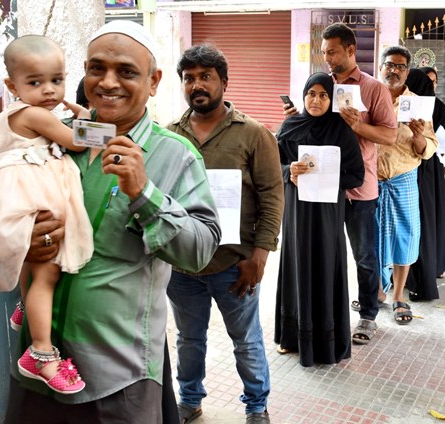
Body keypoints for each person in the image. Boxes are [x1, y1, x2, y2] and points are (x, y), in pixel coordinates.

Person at [4, 20, 220, 423]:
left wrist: (145, 194)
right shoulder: (55, 140)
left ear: (154, 81)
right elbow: (2, 213)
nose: (107, 83)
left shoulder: (174, 154)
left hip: (117, 375)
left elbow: (200, 251)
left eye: (126, 71)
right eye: (96, 68)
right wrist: (21, 239)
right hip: (38, 366)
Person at [0, 35, 94, 395]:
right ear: (12, 85)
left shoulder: (16, 115)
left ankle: (24, 307)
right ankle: (40, 353)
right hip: (30, 194)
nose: (49, 90)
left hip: (16, 196)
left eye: (57, 80)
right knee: (47, 272)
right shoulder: (33, 114)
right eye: (36, 83)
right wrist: (83, 113)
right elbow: (80, 140)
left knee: (31, 265)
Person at [165, 45, 282, 424]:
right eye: (189, 78)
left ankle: (256, 406)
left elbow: (271, 196)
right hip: (183, 267)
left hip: (235, 264)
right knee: (188, 339)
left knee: (246, 341)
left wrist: (260, 255)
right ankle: (189, 399)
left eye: (206, 77)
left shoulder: (253, 134)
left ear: (224, 83)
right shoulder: (170, 136)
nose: (197, 85)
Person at [286, 23, 396, 343]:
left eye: (332, 51)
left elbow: (389, 135)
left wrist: (358, 125)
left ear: (351, 50)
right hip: (322, 189)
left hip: (359, 189)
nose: (327, 58)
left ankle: (368, 315)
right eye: (323, 52)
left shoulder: (374, 89)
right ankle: (326, 314)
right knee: (327, 253)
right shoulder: (325, 86)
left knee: (363, 255)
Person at [275, 73, 365, 363]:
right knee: (297, 264)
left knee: (326, 263)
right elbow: (271, 166)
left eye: (323, 95)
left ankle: (327, 342)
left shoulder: (341, 131)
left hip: (328, 213)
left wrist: (328, 178)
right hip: (297, 212)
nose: (316, 100)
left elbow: (357, 175)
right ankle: (292, 336)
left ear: (332, 99)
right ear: (303, 96)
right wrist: (289, 170)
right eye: (311, 94)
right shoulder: (290, 127)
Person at [376, 46, 438, 324]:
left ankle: (398, 295)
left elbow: (429, 148)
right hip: (372, 181)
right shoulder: (369, 98)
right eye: (389, 64)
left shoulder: (418, 104)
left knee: (406, 236)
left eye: (400, 66)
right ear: (381, 67)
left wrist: (417, 136)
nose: (394, 70)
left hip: (403, 180)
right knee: (371, 238)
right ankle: (376, 291)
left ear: (407, 71)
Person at [404, 68, 445, 300]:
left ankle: (420, 269)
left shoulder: (432, 107)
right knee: (428, 217)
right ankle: (433, 264)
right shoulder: (433, 105)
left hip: (418, 165)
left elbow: (443, 139)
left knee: (419, 219)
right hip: (428, 168)